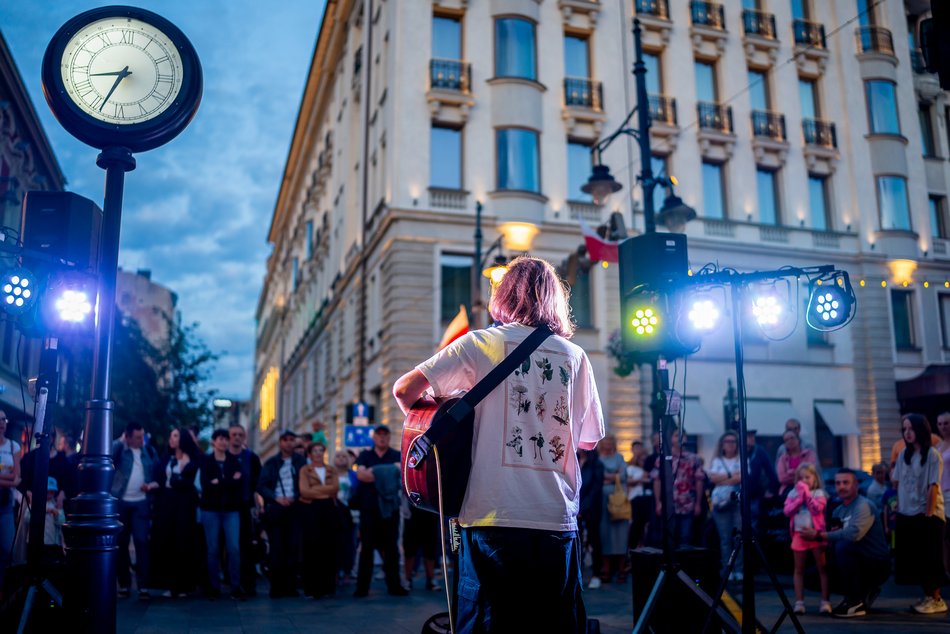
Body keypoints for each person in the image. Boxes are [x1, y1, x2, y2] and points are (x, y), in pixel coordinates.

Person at [393, 256, 605, 633]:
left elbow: (405, 390)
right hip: (556, 519)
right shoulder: (576, 357)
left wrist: (449, 421)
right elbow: (587, 439)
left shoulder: (480, 344)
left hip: (492, 514)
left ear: (505, 294)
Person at [801, 468, 891, 618]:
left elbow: (853, 534)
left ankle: (856, 602)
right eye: (838, 483)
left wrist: (819, 535)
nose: (841, 486)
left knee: (844, 546)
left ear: (856, 485)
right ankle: (862, 593)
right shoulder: (837, 511)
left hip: (876, 563)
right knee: (811, 576)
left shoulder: (864, 505)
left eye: (846, 482)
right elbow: (833, 539)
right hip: (855, 560)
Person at [892, 413, 948, 614]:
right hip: (907, 512)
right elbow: (896, 483)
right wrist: (898, 506)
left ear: (920, 430)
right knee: (917, 559)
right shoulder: (904, 456)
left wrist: (929, 513)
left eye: (911, 428)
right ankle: (927, 596)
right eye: (904, 429)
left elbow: (933, 485)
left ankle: (937, 598)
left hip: (927, 513)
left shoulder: (933, 454)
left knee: (931, 557)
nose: (907, 433)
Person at [352, 425, 406, 598]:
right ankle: (362, 588)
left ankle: (394, 586)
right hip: (369, 508)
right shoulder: (365, 455)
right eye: (379, 435)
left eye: (385, 435)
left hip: (390, 508)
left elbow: (400, 473)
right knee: (366, 549)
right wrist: (390, 471)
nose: (382, 438)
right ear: (374, 437)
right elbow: (361, 476)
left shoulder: (397, 454)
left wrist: (373, 471)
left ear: (389, 437)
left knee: (391, 548)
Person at [150, 427, 201, 598]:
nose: (171, 439)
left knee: (183, 540)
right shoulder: (166, 459)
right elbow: (161, 480)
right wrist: (152, 486)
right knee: (167, 541)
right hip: (167, 503)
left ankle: (184, 584)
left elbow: (190, 483)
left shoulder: (192, 460)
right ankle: (170, 584)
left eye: (176, 436)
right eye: (171, 435)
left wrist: (179, 479)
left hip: (185, 504)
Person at [111, 421, 159, 599]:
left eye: (142, 436)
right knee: (121, 543)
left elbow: (157, 472)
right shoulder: (120, 450)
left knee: (141, 541)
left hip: (141, 503)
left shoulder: (149, 452)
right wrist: (121, 440)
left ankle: (143, 585)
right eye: (137, 437)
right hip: (122, 501)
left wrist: (153, 484)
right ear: (128, 437)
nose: (141, 440)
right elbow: (109, 452)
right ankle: (124, 584)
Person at [258, 429, 306, 598]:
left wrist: (297, 497)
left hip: (295, 508)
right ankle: (276, 587)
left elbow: (306, 483)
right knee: (277, 548)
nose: (288, 443)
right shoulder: (271, 463)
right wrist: (276, 498)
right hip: (277, 509)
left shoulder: (301, 462)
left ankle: (291, 586)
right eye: (285, 440)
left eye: (292, 439)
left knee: (293, 548)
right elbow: (262, 485)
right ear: (280, 443)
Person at [199, 429, 244, 600]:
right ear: (213, 442)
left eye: (226, 439)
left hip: (231, 509)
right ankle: (214, 586)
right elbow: (206, 485)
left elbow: (238, 484)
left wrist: (220, 482)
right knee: (213, 549)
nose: (224, 442)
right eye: (220, 439)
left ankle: (235, 586)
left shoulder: (233, 461)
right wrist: (229, 481)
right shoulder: (207, 461)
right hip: (210, 509)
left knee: (233, 548)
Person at [783, 463, 831, 614]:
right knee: (799, 569)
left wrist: (807, 494)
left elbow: (817, 509)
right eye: (801, 478)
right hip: (799, 535)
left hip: (816, 535)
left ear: (815, 478)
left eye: (807, 477)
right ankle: (799, 602)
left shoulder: (820, 493)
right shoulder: (792, 494)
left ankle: (825, 601)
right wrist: (799, 498)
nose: (804, 480)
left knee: (822, 568)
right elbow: (787, 511)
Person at [299, 440, 340, 598]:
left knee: (329, 547)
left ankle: (328, 587)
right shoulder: (305, 470)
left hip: (329, 509)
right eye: (314, 451)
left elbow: (335, 488)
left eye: (320, 450)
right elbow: (304, 491)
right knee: (312, 548)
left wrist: (315, 490)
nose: (318, 453)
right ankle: (312, 588)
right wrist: (325, 492)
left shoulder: (332, 469)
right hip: (312, 510)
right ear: (309, 454)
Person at [652, 429, 705, 547]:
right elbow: (657, 481)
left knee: (685, 537)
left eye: (682, 435)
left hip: (687, 503)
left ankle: (684, 564)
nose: (680, 438)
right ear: (671, 438)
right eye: (676, 435)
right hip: (668, 504)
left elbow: (699, 481)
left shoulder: (694, 458)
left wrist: (698, 503)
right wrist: (658, 502)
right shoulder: (663, 458)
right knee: (668, 537)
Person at [228, 423, 262, 597]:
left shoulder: (251, 458)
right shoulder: (223, 457)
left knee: (246, 546)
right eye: (233, 434)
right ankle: (231, 582)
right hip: (225, 508)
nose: (237, 437)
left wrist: (257, 503)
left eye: (240, 434)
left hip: (244, 506)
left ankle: (248, 585)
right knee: (229, 546)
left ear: (245, 437)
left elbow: (258, 482)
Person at [708, 431, 742, 581]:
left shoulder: (741, 459)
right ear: (722, 444)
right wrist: (731, 477)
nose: (730, 444)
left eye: (733, 441)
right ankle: (728, 569)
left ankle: (739, 568)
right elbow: (713, 479)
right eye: (727, 441)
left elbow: (741, 478)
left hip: (737, 502)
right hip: (720, 503)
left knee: (738, 537)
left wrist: (723, 479)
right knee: (724, 538)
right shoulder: (716, 461)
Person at [599, 434, 629, 584]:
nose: (608, 444)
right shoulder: (598, 459)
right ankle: (606, 568)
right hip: (603, 502)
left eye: (611, 441)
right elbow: (598, 476)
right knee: (605, 534)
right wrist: (614, 475)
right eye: (606, 441)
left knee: (621, 535)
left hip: (619, 502)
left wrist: (608, 477)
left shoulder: (620, 457)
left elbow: (623, 476)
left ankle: (622, 568)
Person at [578, 448, 604, 589]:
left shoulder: (596, 463)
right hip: (575, 508)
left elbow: (595, 489)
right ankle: (578, 574)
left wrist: (582, 509)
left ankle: (596, 574)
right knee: (577, 542)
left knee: (594, 540)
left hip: (592, 508)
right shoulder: (574, 459)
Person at [745, 430, 779, 533]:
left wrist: (771, 490)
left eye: (753, 436)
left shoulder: (759, 451)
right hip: (739, 495)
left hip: (755, 495)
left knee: (754, 526)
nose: (752, 438)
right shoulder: (736, 451)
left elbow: (771, 472)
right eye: (749, 436)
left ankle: (751, 548)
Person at [332, 450, 357, 585]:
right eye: (338, 456)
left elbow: (357, 493)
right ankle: (335, 571)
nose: (341, 458)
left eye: (343, 456)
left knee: (349, 543)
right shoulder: (329, 474)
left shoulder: (353, 475)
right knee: (334, 543)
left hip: (349, 514)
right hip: (333, 514)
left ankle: (347, 570)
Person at [776, 431, 818, 496]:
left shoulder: (809, 454)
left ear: (798, 439)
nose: (790, 441)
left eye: (792, 438)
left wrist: (790, 472)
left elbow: (810, 472)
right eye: (786, 440)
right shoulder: (782, 459)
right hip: (788, 491)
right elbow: (782, 478)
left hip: (808, 490)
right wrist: (800, 474)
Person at [626, 441, 650, 552]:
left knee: (645, 523)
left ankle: (644, 546)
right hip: (635, 498)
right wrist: (641, 480)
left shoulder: (648, 470)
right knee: (636, 524)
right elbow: (628, 481)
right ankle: (633, 548)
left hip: (647, 497)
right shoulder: (631, 468)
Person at [936, 411, 950, 577]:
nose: (943, 427)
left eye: (946, 423)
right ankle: (946, 570)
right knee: (944, 535)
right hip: (941, 494)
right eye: (940, 424)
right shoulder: (938, 446)